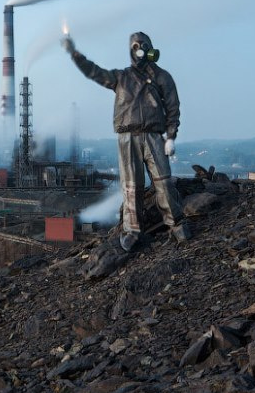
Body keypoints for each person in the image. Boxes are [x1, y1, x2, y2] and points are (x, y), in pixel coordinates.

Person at [62, 31, 191, 251]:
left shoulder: (162, 77)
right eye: (136, 46)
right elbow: (94, 72)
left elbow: (173, 108)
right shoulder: (121, 77)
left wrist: (170, 136)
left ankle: (176, 223)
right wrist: (74, 54)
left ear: (150, 47)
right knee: (131, 186)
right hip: (127, 137)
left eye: (143, 45)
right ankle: (132, 230)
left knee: (163, 181)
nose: (139, 49)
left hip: (153, 135)